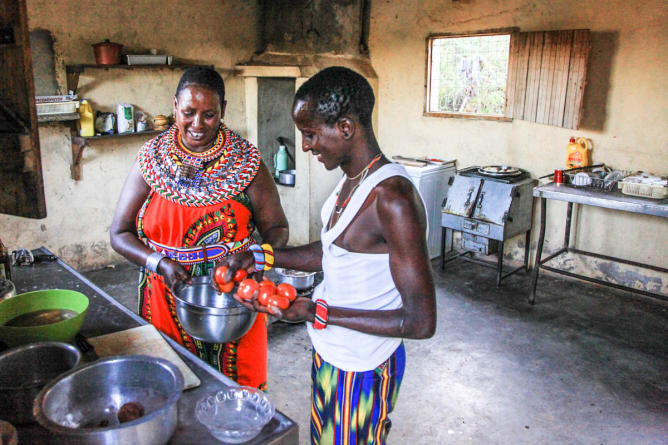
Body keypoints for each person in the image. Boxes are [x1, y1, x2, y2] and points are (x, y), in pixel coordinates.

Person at [215, 66, 436, 444]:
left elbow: (420, 322)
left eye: (311, 134)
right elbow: (333, 253)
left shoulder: (393, 199)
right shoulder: (352, 181)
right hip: (331, 350)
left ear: (346, 128)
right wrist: (263, 256)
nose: (305, 146)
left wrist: (317, 311)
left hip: (363, 366)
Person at [110, 66, 288, 390]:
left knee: (240, 392)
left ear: (223, 111)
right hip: (164, 293)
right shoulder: (151, 161)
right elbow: (119, 233)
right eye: (189, 112)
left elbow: (277, 228)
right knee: (173, 386)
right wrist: (159, 263)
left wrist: (257, 260)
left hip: (234, 292)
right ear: (175, 106)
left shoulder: (247, 163)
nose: (197, 124)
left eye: (209, 114)